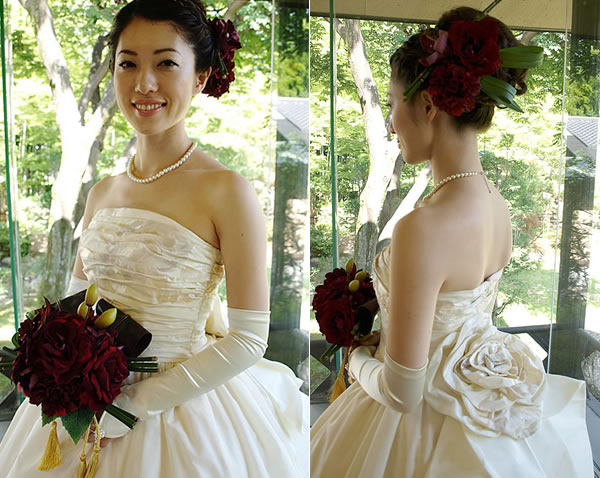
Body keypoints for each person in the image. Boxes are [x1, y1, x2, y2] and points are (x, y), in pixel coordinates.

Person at [0, 1, 308, 476]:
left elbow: (249, 339)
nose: (144, 83)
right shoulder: (102, 192)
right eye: (128, 64)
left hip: (181, 410)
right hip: (83, 406)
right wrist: (57, 371)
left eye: (165, 63)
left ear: (200, 78)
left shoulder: (226, 190)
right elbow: (73, 306)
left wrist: (135, 406)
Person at [311, 7, 593, 478]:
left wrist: (356, 357)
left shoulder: (423, 226)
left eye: (394, 103)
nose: (391, 123)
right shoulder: (497, 203)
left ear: (428, 106)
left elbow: (403, 391)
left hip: (415, 426)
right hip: (484, 412)